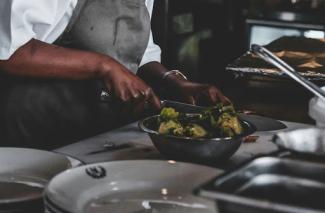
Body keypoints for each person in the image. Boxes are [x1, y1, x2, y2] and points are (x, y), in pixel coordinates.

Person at [0, 0, 229, 149]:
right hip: (37, 134)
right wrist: (103, 66)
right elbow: (9, 52)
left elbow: (136, 50)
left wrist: (173, 80)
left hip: (97, 133)